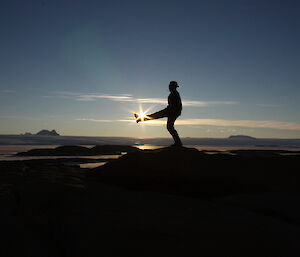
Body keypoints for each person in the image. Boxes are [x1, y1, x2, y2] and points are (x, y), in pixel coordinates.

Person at [134, 81, 183, 147]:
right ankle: (140, 118)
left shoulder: (175, 94)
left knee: (168, 125)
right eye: (170, 86)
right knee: (167, 125)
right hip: (171, 111)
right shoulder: (173, 94)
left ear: (174, 87)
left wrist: (170, 111)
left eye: (171, 86)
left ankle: (178, 143)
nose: (170, 88)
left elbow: (177, 105)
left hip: (172, 111)